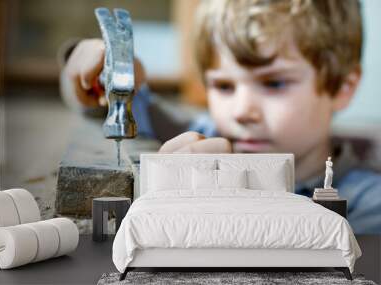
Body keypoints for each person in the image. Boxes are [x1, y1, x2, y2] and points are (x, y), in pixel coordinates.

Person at [60, 0, 381, 234]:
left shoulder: (368, 207)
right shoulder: (200, 133)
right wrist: (89, 68)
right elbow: (99, 104)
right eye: (224, 85)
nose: (241, 111)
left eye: (274, 83)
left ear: (341, 86)